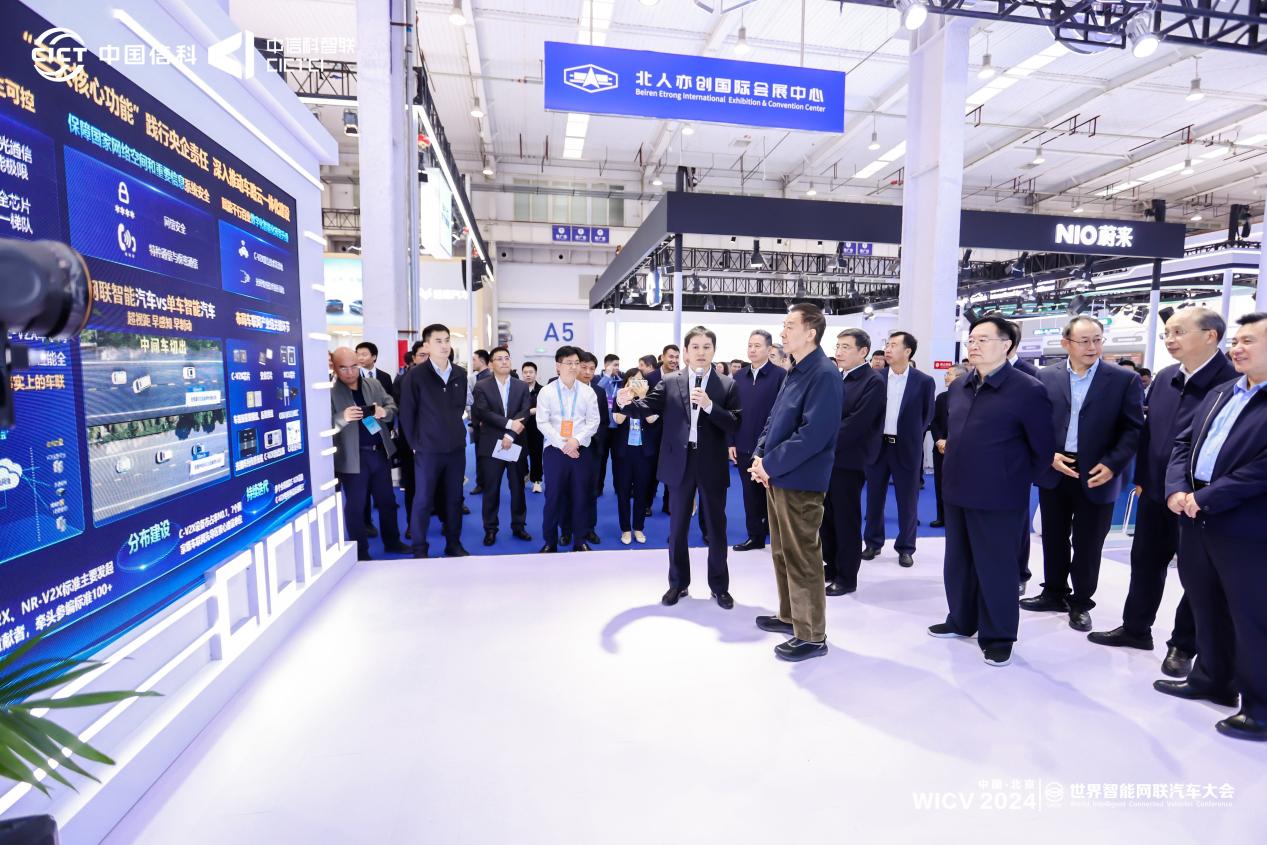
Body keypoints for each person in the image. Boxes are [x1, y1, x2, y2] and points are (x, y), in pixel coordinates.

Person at [1089, 308, 1235, 675]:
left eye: (1179, 332)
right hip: (1155, 492)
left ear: (1210, 336)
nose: (1170, 340)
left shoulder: (1232, 382)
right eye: (1166, 333)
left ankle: (1184, 646)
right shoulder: (1167, 377)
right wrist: (1142, 478)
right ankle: (1136, 628)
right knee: (1145, 562)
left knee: (1196, 577)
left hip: (1198, 500)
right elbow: (1148, 432)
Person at [1159, 312, 1267, 742]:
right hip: (1196, 516)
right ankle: (1211, 679)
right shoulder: (1223, 392)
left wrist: (1205, 497)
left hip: (1246, 525)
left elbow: (1260, 470)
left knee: (1252, 617)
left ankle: (1259, 708)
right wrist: (1176, 489)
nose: (1237, 348)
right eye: (1235, 341)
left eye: (1248, 341)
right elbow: (1184, 442)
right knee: (1205, 604)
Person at [929, 316, 1053, 667]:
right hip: (956, 490)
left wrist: (1013, 479)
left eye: (983, 339)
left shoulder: (1028, 389)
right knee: (958, 562)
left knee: (996, 568)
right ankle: (961, 619)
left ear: (1006, 345)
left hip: (999, 495)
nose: (974, 345)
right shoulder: (959, 387)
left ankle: (998, 635)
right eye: (971, 339)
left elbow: (1043, 448)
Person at [1022, 316, 1144, 632]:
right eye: (1084, 341)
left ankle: (1081, 602)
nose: (1092, 347)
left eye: (1097, 340)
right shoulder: (1044, 376)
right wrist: (1048, 456)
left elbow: (1133, 429)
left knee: (1088, 543)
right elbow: (1036, 424)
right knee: (1053, 536)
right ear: (1066, 343)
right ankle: (1054, 592)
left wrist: (1113, 464)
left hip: (1099, 471)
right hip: (1057, 467)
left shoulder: (1123, 379)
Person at [618, 326, 741, 608]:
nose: (701, 352)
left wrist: (710, 406)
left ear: (714, 350)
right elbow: (647, 407)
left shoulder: (727, 385)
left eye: (706, 347)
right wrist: (626, 404)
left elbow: (735, 423)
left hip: (711, 462)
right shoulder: (670, 381)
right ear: (686, 352)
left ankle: (720, 587)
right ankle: (677, 583)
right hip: (679, 463)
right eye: (695, 347)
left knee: (716, 528)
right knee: (677, 528)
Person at [748, 303, 842, 661]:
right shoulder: (796, 369)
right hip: (779, 476)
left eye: (789, 326)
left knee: (802, 555)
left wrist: (769, 464)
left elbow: (813, 435)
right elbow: (775, 419)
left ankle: (812, 635)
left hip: (801, 479)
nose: (783, 332)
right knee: (782, 551)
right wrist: (760, 456)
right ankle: (790, 616)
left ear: (810, 333)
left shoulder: (823, 374)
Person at [821, 328, 885, 596]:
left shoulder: (873, 381)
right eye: (838, 346)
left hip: (849, 461)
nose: (839, 351)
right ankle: (832, 565)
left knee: (846, 519)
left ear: (863, 352)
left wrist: (820, 440)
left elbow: (856, 424)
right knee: (827, 517)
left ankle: (847, 577)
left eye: (846, 347)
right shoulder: (838, 377)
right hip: (827, 460)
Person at [863, 331, 936, 567]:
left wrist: (911, 436)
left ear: (907, 351)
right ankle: (873, 543)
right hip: (878, 447)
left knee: (908, 500)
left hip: (906, 448)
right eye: (887, 344)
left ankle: (906, 547)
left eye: (894, 345)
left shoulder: (923, 381)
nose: (888, 349)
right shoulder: (875, 377)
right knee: (874, 498)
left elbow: (928, 415)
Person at [399, 324, 470, 559]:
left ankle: (453, 544)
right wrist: (415, 444)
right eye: (438, 341)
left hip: (456, 449)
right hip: (427, 450)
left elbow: (459, 408)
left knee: (454, 499)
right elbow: (407, 414)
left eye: (447, 340)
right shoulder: (415, 376)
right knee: (423, 499)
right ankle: (420, 549)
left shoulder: (459, 374)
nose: (444, 345)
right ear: (427, 345)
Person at [330, 348, 408, 561]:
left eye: (353, 366)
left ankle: (392, 542)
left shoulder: (373, 384)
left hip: (379, 454)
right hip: (351, 458)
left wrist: (385, 412)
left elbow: (391, 405)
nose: (350, 372)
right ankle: (360, 552)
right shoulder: (329, 392)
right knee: (355, 507)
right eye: (343, 368)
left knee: (387, 501)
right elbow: (322, 426)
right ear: (334, 368)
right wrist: (342, 417)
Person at [536, 346, 600, 553]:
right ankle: (550, 541)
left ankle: (579, 540)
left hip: (581, 450)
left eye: (576, 363)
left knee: (581, 495)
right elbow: (542, 422)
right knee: (553, 497)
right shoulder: (547, 392)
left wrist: (576, 440)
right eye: (569, 363)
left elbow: (593, 422)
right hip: (555, 450)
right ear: (558, 366)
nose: (573, 367)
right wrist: (563, 444)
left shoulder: (588, 392)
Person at [729, 330, 785, 552]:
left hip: (771, 448)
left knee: (773, 494)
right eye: (750, 345)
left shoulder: (781, 376)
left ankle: (778, 537)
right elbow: (731, 411)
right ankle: (755, 536)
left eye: (757, 346)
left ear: (769, 349)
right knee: (749, 494)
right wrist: (731, 441)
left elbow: (784, 413)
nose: (752, 350)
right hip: (743, 445)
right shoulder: (739, 377)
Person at [472, 346, 533, 547]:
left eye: (507, 357)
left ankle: (519, 525)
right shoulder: (481, 386)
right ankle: (490, 529)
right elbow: (483, 412)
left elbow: (524, 412)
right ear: (491, 364)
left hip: (515, 442)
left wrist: (510, 434)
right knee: (491, 489)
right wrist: (509, 425)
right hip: (492, 444)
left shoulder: (521, 386)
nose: (504, 361)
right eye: (499, 358)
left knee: (518, 488)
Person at [610, 371, 658, 545]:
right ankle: (625, 529)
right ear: (626, 382)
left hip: (643, 453)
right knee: (622, 492)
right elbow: (618, 420)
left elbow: (652, 419)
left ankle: (638, 527)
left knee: (641, 492)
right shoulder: (620, 397)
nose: (636, 384)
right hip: (623, 453)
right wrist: (626, 400)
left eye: (639, 381)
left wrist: (643, 397)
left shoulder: (651, 399)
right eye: (632, 380)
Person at [354, 341, 396, 538]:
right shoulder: (346, 383)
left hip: (380, 439)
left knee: (385, 494)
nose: (360, 358)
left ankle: (392, 538)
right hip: (358, 442)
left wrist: (386, 418)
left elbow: (391, 403)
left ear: (374, 357)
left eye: (364, 354)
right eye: (358, 354)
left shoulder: (382, 378)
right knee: (360, 493)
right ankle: (365, 524)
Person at [568, 351, 607, 546]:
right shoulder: (564, 388)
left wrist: (593, 441)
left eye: (592, 369)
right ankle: (566, 529)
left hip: (591, 449)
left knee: (591, 492)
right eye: (584, 367)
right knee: (567, 491)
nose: (587, 372)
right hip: (568, 447)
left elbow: (603, 422)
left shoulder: (599, 391)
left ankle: (589, 529)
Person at [394, 341, 426, 538]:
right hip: (410, 442)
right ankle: (411, 524)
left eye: (428, 355)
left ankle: (443, 519)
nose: (426, 359)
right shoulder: (402, 380)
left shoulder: (443, 378)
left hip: (437, 442)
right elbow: (401, 410)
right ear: (413, 358)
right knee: (412, 484)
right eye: (421, 355)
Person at [929, 364, 966, 529]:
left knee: (960, 484)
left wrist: (949, 441)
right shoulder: (942, 397)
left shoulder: (971, 397)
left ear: (960, 377)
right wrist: (938, 440)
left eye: (949, 374)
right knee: (940, 483)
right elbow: (934, 422)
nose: (945, 376)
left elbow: (965, 424)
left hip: (959, 449)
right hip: (940, 449)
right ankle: (942, 517)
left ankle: (958, 519)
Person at [595, 354, 623, 498]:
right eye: (614, 365)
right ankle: (597, 487)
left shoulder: (622, 381)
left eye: (618, 365)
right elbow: (597, 391)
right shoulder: (597, 379)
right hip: (603, 427)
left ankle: (620, 488)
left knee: (619, 460)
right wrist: (606, 376)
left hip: (618, 427)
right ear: (606, 365)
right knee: (601, 459)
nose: (617, 368)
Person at [519, 361, 545, 494]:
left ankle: (537, 481)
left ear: (536, 374)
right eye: (525, 372)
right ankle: (524, 474)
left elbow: (544, 408)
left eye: (531, 372)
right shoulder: (518, 389)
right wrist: (529, 411)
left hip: (536, 427)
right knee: (521, 454)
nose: (528, 375)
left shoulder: (542, 390)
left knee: (536, 454)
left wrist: (529, 411)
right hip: (520, 426)